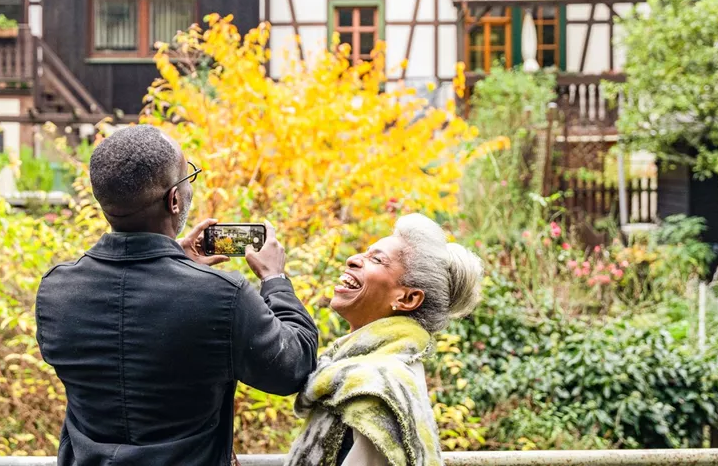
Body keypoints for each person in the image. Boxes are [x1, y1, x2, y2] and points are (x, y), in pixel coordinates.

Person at [36, 125, 319, 466]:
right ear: (174, 200)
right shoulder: (222, 296)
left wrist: (177, 264)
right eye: (189, 177)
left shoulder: (56, 290)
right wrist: (275, 277)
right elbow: (292, 367)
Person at [286, 214, 484, 466]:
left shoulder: (379, 384)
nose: (352, 259)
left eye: (377, 259)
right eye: (365, 253)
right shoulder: (376, 370)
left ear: (408, 299)